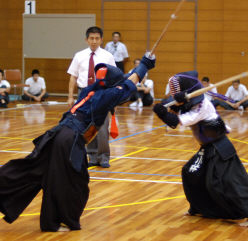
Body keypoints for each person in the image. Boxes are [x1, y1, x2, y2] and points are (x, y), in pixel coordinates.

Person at [0, 53, 155, 232]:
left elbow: (125, 81)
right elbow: (128, 85)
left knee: (34, 170)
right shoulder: (105, 96)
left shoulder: (91, 89)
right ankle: (59, 221)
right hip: (69, 139)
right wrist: (145, 65)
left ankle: (52, 221)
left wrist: (142, 66)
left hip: (58, 134)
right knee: (74, 183)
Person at [153, 71, 248, 228]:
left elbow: (175, 122)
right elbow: (176, 106)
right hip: (207, 148)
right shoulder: (189, 103)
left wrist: (163, 114)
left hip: (220, 148)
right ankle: (199, 208)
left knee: (230, 182)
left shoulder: (203, 106)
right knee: (190, 172)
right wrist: (170, 104)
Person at [68, 26, 116, 168]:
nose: (94, 41)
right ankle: (92, 156)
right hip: (83, 93)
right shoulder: (79, 55)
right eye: (91, 38)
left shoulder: (107, 56)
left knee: (101, 126)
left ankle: (104, 157)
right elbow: (73, 77)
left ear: (101, 40)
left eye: (97, 38)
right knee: (86, 126)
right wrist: (70, 96)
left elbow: (114, 77)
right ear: (86, 40)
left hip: (102, 93)